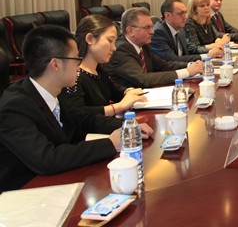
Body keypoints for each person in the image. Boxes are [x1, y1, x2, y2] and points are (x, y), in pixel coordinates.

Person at [0, 24, 153, 191]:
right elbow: (47, 159)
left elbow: (82, 119)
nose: (79, 66)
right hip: (27, 190)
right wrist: (110, 144)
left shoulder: (56, 90)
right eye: (75, 59)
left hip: (59, 180)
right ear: (56, 64)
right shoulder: (14, 107)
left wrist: (127, 127)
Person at [63, 15, 148, 116]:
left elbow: (114, 90)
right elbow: (78, 115)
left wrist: (128, 92)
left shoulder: (99, 70)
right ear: (90, 39)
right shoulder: (73, 77)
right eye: (110, 41)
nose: (114, 48)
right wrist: (120, 106)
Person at [106, 7, 203, 90]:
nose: (152, 32)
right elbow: (143, 79)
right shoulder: (120, 49)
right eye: (147, 27)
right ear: (130, 31)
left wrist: (191, 65)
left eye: (152, 27)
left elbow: (164, 65)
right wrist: (187, 72)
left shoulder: (143, 45)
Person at [151, 0, 222, 62]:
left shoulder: (180, 29)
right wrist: (206, 56)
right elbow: (172, 59)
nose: (185, 17)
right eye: (181, 13)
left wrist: (211, 52)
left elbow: (189, 51)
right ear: (167, 15)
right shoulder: (158, 33)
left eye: (185, 13)